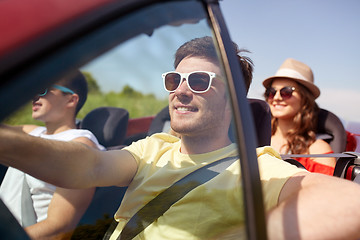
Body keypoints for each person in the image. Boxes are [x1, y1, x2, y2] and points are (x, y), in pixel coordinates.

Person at [1, 37, 360, 240]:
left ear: (232, 102)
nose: (181, 91)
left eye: (200, 81)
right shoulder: (154, 147)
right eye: (174, 80)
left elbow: (350, 204)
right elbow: (88, 165)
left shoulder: (256, 168)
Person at [0, 70, 104, 239]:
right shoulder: (34, 131)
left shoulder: (81, 146)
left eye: (43, 89)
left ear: (71, 99)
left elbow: (58, 227)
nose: (35, 95)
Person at [263, 58, 336, 175]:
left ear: (305, 99)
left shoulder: (318, 152)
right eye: (271, 92)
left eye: (286, 92)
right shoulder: (252, 138)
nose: (276, 97)